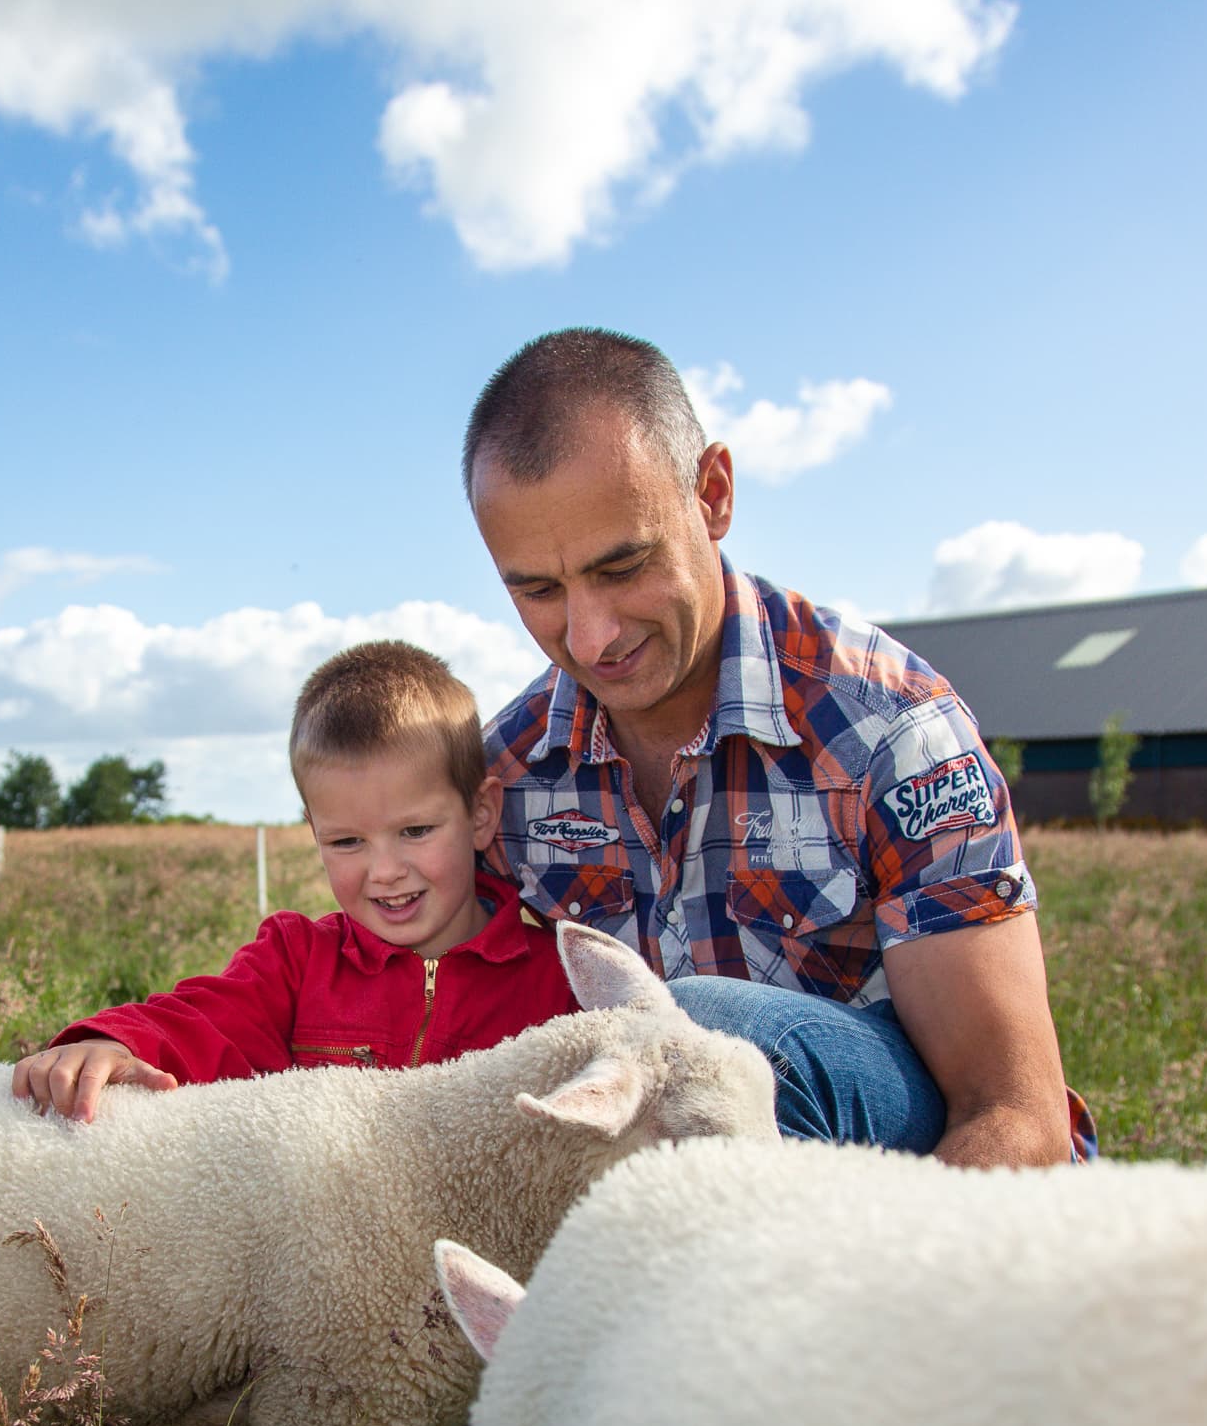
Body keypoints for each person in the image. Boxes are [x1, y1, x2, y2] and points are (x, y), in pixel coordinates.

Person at [10, 640, 584, 1426]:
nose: (384, 871)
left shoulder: (551, 987)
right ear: (311, 833)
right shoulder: (298, 961)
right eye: (345, 843)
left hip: (451, 1343)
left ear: (480, 815)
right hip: (295, 1320)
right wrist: (114, 1043)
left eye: (414, 831)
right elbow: (206, 1016)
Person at [465, 326, 1094, 1168]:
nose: (591, 635)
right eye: (539, 590)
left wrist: (860, 1294)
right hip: (656, 1207)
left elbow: (1016, 1116)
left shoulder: (892, 732)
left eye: (624, 567)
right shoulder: (502, 778)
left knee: (708, 1038)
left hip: (912, 1194)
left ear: (714, 494)